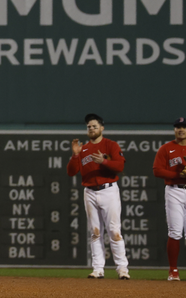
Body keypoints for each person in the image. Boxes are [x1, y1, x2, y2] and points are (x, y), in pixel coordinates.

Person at [67, 114, 130, 280]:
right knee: (95, 233)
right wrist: (75, 155)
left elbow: (120, 166)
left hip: (108, 190)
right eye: (89, 126)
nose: (91, 129)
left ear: (102, 128)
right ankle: (98, 269)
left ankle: (122, 269)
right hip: (89, 192)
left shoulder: (110, 145)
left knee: (114, 231)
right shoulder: (84, 149)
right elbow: (71, 172)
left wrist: (104, 162)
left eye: (95, 126)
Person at [153, 118, 186, 281]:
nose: (181, 129)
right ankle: (173, 270)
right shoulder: (166, 148)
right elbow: (157, 170)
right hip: (174, 191)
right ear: (174, 130)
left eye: (184, 127)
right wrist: (178, 174)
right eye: (178, 127)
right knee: (175, 231)